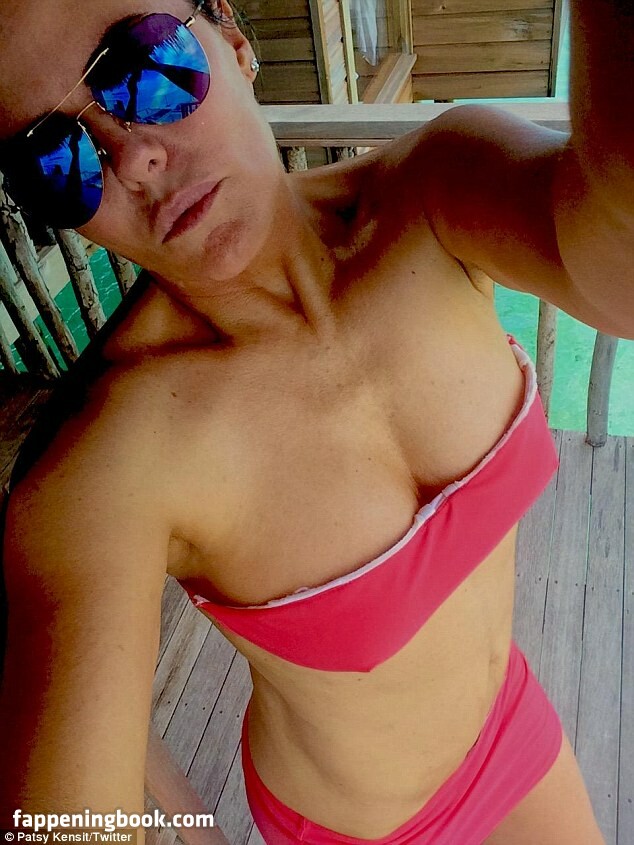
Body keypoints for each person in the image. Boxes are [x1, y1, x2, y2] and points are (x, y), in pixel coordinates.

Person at [0, 0, 630, 842]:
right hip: (353, 827)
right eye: (54, 159)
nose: (135, 160)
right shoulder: (106, 465)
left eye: (143, 68)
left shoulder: (431, 196)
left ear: (233, 40)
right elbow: (64, 821)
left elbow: (620, 270)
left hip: (511, 725)